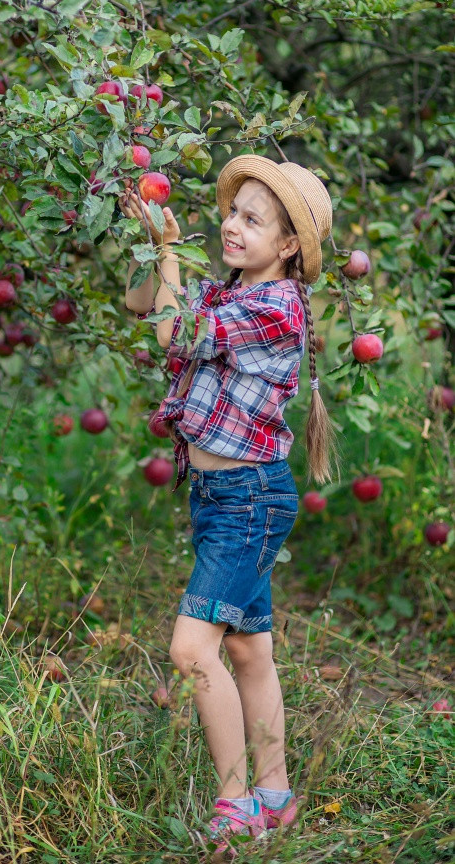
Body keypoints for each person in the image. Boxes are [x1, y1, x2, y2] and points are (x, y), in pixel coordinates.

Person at [121, 155, 338, 858]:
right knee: (247, 648)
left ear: (288, 247)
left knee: (193, 649)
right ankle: (274, 793)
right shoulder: (227, 291)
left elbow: (174, 333)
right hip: (225, 497)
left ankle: (236, 803)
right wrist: (156, 242)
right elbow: (141, 304)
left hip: (249, 498)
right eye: (232, 211)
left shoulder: (273, 308)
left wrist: (171, 268)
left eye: (253, 219)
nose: (231, 224)